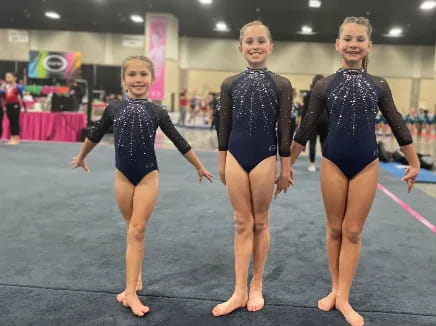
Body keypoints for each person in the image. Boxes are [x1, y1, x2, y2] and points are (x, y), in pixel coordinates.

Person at [290, 17, 420, 326]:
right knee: (335, 228)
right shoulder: (324, 85)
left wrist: (414, 161)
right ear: (337, 44)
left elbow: (397, 122)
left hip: (366, 162)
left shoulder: (378, 84)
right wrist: (286, 166)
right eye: (347, 38)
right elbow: (306, 127)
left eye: (359, 39)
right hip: (333, 161)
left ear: (369, 46)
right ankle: (334, 288)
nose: (353, 44)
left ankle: (344, 297)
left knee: (353, 230)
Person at [71, 56, 213, 317]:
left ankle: (131, 294)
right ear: (123, 79)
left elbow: (179, 140)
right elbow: (95, 133)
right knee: (132, 230)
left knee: (137, 229)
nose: (138, 79)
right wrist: (81, 157)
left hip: (148, 175)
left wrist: (199, 166)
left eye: (143, 74)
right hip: (122, 176)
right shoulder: (113, 108)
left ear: (152, 79)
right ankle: (135, 277)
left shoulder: (157, 111)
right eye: (132, 74)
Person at [213, 20, 293, 317]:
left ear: (271, 47)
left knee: (260, 222)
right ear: (241, 48)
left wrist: (285, 168)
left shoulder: (281, 84)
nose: (255, 46)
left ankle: (256, 283)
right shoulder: (229, 83)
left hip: (264, 156)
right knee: (240, 223)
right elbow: (224, 125)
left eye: (261, 41)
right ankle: (238, 290)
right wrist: (221, 162)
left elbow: (285, 128)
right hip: (235, 155)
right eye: (250, 42)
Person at [301, 74, 327, 172]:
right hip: (325, 121)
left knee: (312, 142)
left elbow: (304, 111)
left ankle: (312, 164)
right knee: (324, 142)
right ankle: (325, 164)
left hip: (313, 121)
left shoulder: (308, 95)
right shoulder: (327, 94)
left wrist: (303, 125)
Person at [0, 72, 25, 145]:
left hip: (15, 105)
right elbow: (2, 93)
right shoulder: (5, 86)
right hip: (8, 105)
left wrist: (23, 105)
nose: (7, 78)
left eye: (9, 77)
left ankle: (16, 138)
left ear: (14, 78)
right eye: (6, 77)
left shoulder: (18, 86)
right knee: (11, 122)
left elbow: (22, 96)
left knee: (15, 121)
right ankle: (12, 137)